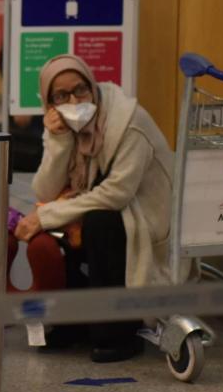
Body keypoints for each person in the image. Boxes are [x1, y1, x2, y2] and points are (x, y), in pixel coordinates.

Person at [13, 54, 175, 363]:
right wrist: (59, 141)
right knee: (68, 219)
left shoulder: (128, 123)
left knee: (97, 222)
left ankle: (118, 333)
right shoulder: (61, 123)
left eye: (81, 90)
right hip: (104, 206)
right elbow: (45, 190)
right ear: (49, 102)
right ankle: (74, 323)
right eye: (61, 95)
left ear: (93, 87)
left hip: (144, 218)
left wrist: (46, 216)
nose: (74, 100)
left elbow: (117, 194)